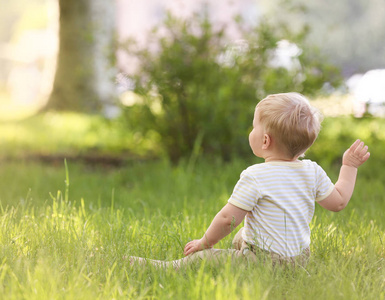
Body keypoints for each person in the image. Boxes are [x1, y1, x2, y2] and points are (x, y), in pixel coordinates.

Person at [129, 92, 370, 269]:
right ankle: (254, 254)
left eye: (253, 126)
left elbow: (227, 219)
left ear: (265, 141)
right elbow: (338, 203)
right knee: (242, 236)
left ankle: (164, 267)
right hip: (299, 260)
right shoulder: (312, 171)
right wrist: (349, 166)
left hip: (263, 262)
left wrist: (205, 242)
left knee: (203, 259)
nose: (250, 131)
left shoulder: (255, 176)